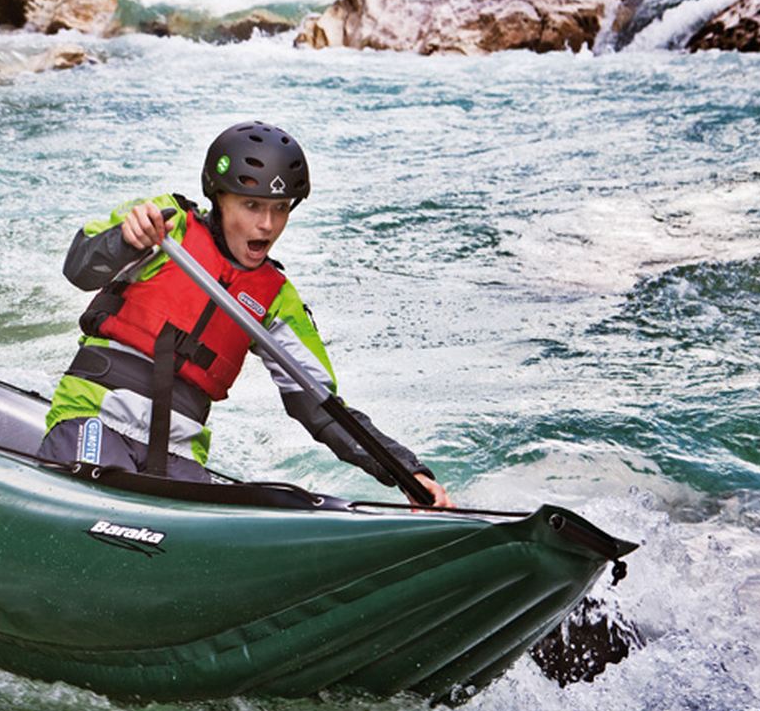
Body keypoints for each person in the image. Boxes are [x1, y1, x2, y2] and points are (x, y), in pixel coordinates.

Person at [37, 120, 452, 506]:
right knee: (98, 495)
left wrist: (407, 472)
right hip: (93, 417)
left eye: (281, 208)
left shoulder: (275, 299)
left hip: (179, 451)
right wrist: (126, 241)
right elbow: (79, 267)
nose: (267, 225)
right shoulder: (167, 227)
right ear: (219, 198)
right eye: (252, 205)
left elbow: (323, 409)